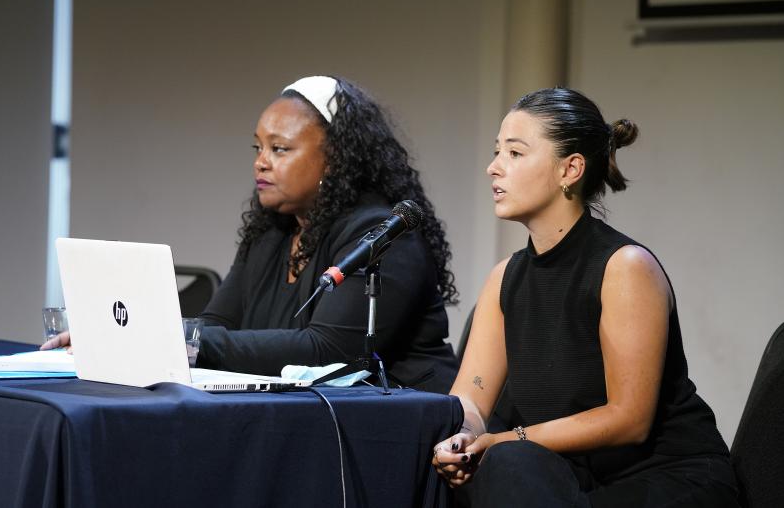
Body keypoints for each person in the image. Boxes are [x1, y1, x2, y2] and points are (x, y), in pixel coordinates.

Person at [43, 75, 459, 394]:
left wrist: (182, 341)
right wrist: (132, 334)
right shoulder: (271, 232)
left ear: (336, 160)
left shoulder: (383, 235)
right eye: (257, 148)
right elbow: (215, 323)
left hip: (405, 424)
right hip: (306, 417)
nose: (261, 163)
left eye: (279, 149)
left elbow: (326, 353)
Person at [431, 88, 738, 506]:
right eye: (497, 152)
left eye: (515, 154)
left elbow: (629, 419)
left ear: (570, 169)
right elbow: (471, 396)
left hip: (665, 481)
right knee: (487, 467)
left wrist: (505, 439)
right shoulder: (504, 277)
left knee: (508, 461)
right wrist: (464, 436)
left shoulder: (625, 266)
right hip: (576, 480)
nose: (493, 168)